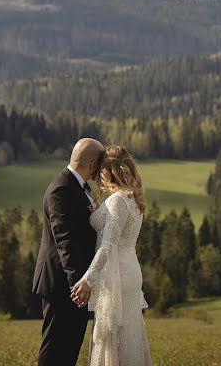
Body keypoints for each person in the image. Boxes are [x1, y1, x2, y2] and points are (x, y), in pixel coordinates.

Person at [70, 145, 153, 365]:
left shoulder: (117, 200)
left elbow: (108, 244)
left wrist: (88, 279)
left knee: (110, 337)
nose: (97, 175)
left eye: (100, 170)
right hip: (129, 270)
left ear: (108, 170)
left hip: (116, 275)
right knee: (128, 335)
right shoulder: (132, 198)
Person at [33, 138, 103, 366]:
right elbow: (64, 239)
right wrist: (78, 283)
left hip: (75, 283)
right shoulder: (61, 189)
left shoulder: (79, 188)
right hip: (62, 283)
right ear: (93, 164)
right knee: (55, 349)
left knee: (69, 349)